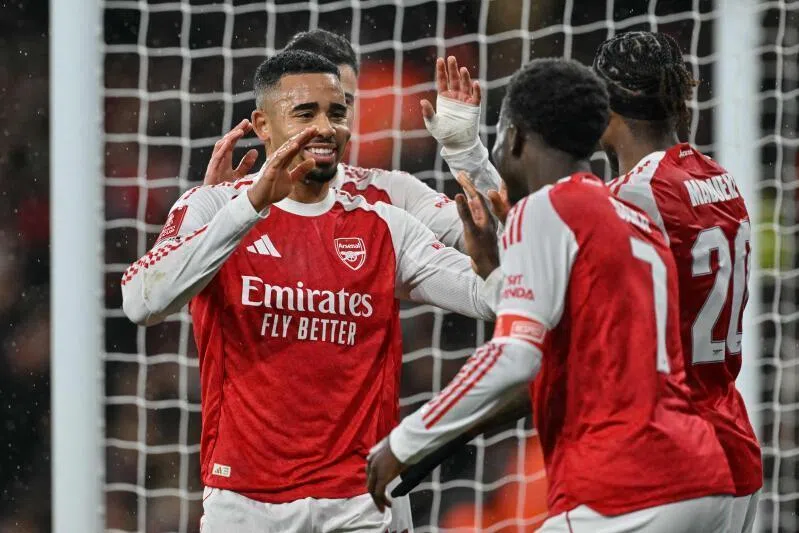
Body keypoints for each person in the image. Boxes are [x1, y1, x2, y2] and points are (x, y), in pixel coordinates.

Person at [121, 50, 501, 533]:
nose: (326, 126)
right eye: (306, 112)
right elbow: (141, 301)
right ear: (262, 123)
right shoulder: (213, 205)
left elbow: (495, 294)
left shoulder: (385, 223)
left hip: (362, 503)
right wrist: (251, 205)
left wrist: (469, 157)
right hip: (246, 503)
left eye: (337, 112)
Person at [366, 57, 736, 532]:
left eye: (499, 138)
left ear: (515, 138)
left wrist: (405, 439)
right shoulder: (630, 217)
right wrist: (493, 275)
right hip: (703, 477)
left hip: (627, 486)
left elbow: (514, 354)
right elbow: (577, 332)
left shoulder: (545, 210)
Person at [594, 31, 762, 532]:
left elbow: (527, 248)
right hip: (735, 449)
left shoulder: (632, 194)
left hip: (668, 460)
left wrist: (467, 153)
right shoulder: (723, 182)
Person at [207, 28, 503, 251]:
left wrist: (467, 153)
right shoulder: (234, 200)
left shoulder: (393, 195)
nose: (327, 122)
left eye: (342, 103)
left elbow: (501, 238)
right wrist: (215, 215)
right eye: (308, 106)